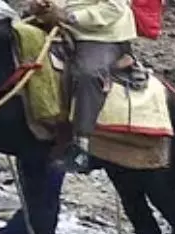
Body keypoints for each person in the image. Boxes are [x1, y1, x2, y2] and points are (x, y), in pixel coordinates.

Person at [29, 0, 138, 173]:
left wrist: (71, 17)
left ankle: (81, 145)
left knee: (88, 74)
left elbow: (114, 7)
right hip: (61, 27)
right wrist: (42, 7)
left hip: (101, 35)